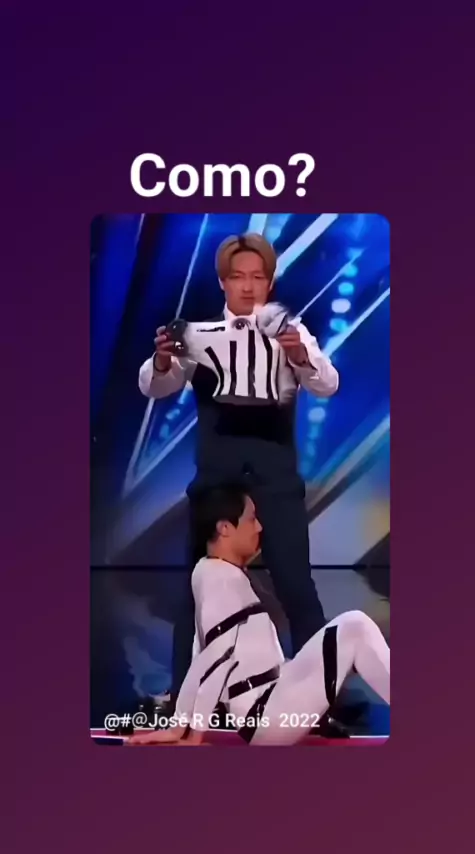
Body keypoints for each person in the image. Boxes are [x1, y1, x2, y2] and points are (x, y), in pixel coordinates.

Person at [138, 233, 341, 730]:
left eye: (258, 277)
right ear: (223, 282)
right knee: (196, 590)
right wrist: (162, 361)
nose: (248, 287)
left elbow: (327, 383)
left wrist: (300, 356)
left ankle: (317, 708)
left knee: (296, 587)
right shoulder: (199, 336)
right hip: (217, 480)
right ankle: (183, 704)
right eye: (238, 277)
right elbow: (156, 385)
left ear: (270, 282)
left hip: (276, 477)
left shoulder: (293, 332)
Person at [128, 485, 390, 747]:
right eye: (251, 519)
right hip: (266, 713)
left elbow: (200, 659)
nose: (259, 527)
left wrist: (180, 725)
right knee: (355, 627)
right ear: (225, 528)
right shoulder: (220, 578)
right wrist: (192, 734)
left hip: (273, 699)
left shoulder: (214, 572)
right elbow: (215, 660)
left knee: (352, 631)